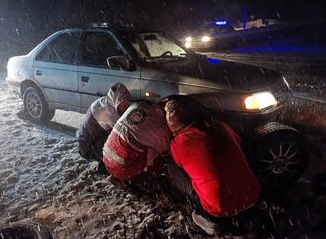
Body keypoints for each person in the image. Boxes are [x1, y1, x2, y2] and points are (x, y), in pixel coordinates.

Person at [164, 97, 261, 236]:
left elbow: (181, 165)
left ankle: (206, 220)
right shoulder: (220, 126)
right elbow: (238, 142)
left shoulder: (179, 144)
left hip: (220, 209)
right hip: (252, 196)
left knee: (171, 167)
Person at [102, 101, 171, 181]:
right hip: (122, 170)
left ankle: (119, 175)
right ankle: (150, 179)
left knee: (144, 141)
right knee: (155, 151)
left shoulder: (138, 104)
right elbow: (165, 151)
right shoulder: (160, 129)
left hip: (106, 159)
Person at [76, 83, 131, 162]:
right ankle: (104, 165)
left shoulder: (105, 101)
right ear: (116, 101)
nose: (126, 106)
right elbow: (124, 135)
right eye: (123, 103)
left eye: (127, 102)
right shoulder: (109, 114)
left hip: (85, 138)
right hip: (86, 147)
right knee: (115, 150)